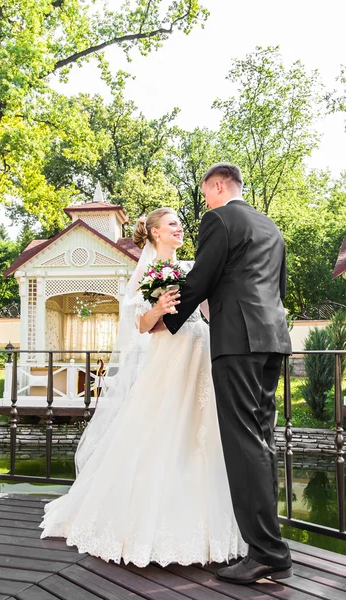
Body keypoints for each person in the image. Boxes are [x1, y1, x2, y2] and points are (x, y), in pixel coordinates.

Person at [40, 207, 247, 568]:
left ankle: (209, 525)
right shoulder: (146, 273)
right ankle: (144, 524)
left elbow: (207, 313)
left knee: (201, 437)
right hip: (168, 358)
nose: (179, 229)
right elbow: (140, 324)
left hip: (200, 354)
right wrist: (160, 307)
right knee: (161, 433)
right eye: (172, 224)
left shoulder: (189, 270)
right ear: (154, 233)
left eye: (180, 224)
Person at [162, 163, 293, 584]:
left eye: (206, 194)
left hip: (237, 343)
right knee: (262, 439)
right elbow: (279, 288)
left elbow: (201, 277)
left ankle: (267, 553)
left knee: (243, 444)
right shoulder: (269, 226)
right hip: (272, 339)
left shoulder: (218, 219)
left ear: (219, 186)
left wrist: (166, 318)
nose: (205, 203)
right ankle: (271, 545)